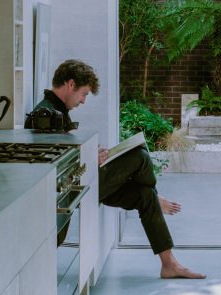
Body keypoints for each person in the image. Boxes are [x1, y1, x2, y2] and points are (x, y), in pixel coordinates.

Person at [26, 59, 205, 280]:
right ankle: (159, 200)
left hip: (82, 182)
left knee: (145, 195)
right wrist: (90, 159)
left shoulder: (55, 111)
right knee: (139, 156)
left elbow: (61, 156)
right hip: (74, 190)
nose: (83, 101)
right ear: (70, 84)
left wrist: (92, 156)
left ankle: (169, 264)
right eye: (83, 94)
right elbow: (53, 169)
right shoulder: (47, 114)